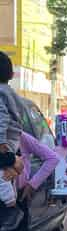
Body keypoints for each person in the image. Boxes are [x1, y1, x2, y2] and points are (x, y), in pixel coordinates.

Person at [0, 51, 23, 208]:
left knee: (2, 176)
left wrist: (0, 142)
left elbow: (1, 118)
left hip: (6, 139)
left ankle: (8, 198)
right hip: (13, 138)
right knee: (5, 172)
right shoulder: (10, 93)